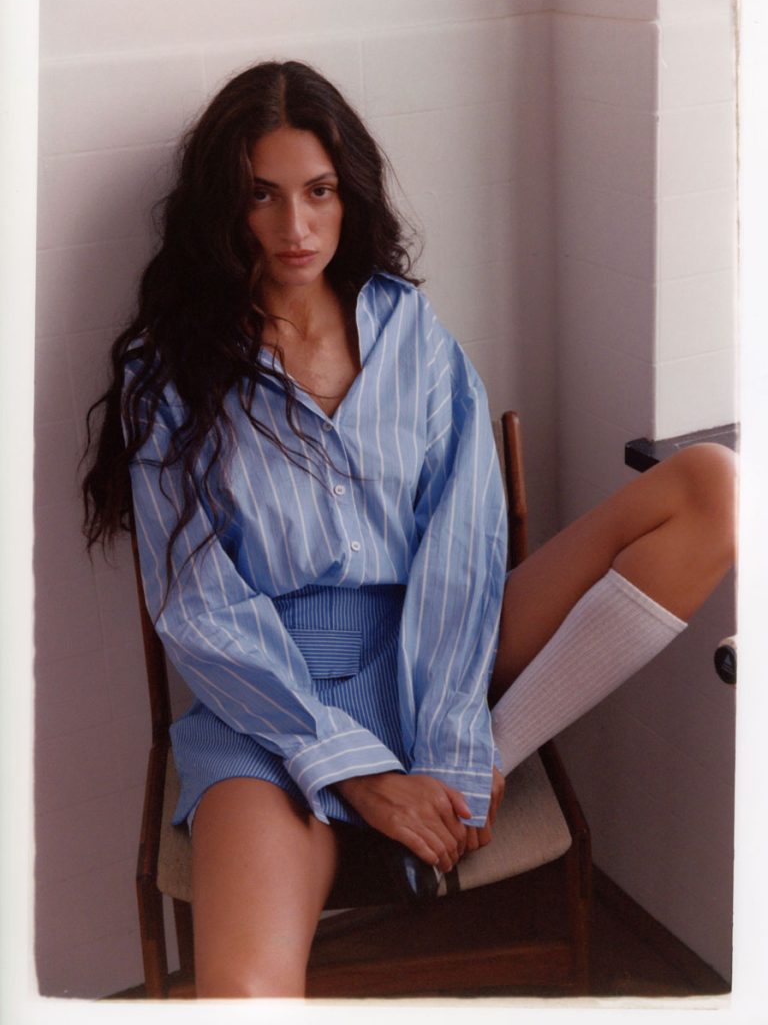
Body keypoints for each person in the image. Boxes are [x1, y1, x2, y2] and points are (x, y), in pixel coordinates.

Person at [82, 60, 736, 998]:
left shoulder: (408, 332)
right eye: (262, 195)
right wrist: (355, 773)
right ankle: (403, 795)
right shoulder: (169, 370)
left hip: (435, 645)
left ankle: (483, 765)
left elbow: (463, 547)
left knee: (712, 486)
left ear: (349, 197)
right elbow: (198, 607)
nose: (295, 226)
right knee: (242, 995)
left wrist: (454, 743)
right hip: (269, 701)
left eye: (319, 192)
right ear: (223, 208)